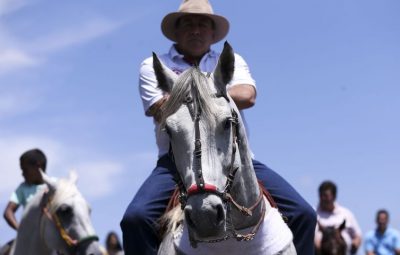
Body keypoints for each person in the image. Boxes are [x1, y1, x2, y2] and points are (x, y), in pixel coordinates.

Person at [120, 0, 317, 254]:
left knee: (304, 215)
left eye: (203, 24)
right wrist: (214, 92)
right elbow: (158, 107)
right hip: (175, 162)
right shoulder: (154, 65)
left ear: (213, 33)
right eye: (188, 24)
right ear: (176, 32)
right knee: (135, 219)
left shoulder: (230, 59)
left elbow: (248, 94)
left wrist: (191, 94)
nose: (196, 29)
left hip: (234, 156)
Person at [3, 148, 49, 231]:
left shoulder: (55, 186)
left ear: (38, 167)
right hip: (31, 238)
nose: (23, 174)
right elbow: (8, 212)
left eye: (25, 170)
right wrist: (21, 231)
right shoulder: (23, 188)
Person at [315, 180, 362, 255]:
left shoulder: (346, 214)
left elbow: (357, 235)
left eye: (326, 195)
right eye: (321, 195)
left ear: (334, 196)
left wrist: (355, 244)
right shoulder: (313, 214)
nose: (323, 198)